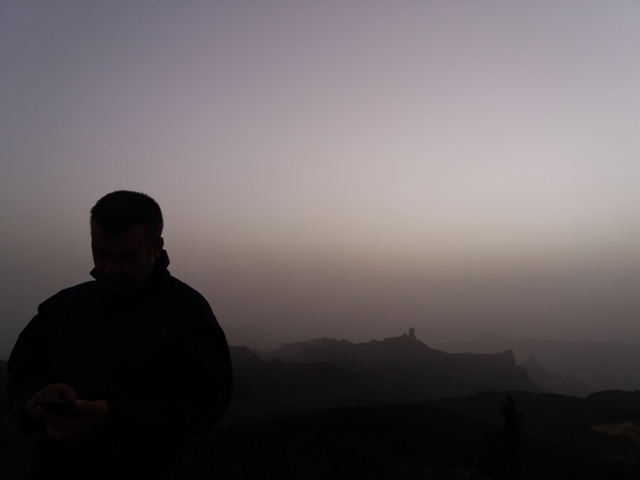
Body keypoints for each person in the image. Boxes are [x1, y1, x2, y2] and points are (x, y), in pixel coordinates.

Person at [6, 190, 233, 479]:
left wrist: (115, 420)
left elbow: (207, 402)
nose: (110, 269)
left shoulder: (187, 312)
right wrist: (34, 400)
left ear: (157, 247)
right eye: (100, 253)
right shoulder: (62, 307)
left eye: (127, 257)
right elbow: (20, 373)